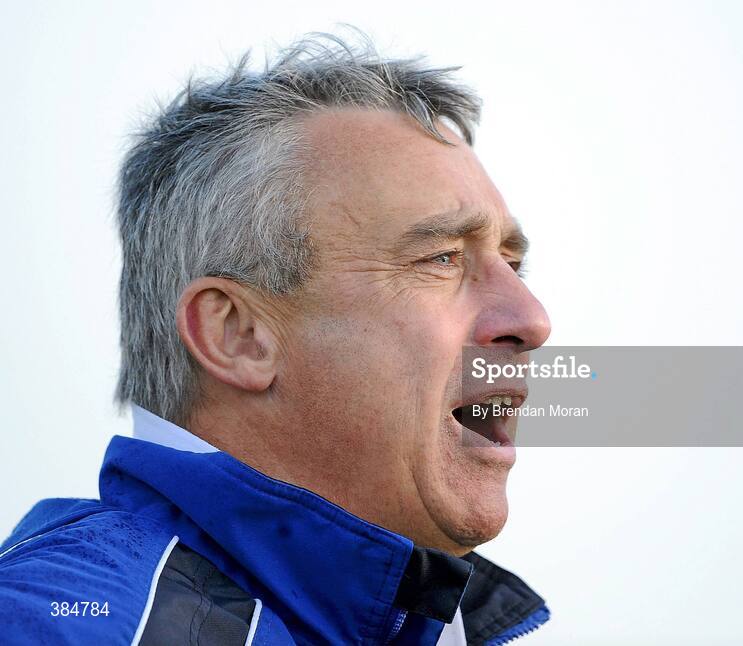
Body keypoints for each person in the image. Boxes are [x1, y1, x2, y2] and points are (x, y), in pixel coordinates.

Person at [0, 31, 552, 645]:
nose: (532, 319)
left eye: (512, 263)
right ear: (239, 335)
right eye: (441, 258)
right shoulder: (70, 626)